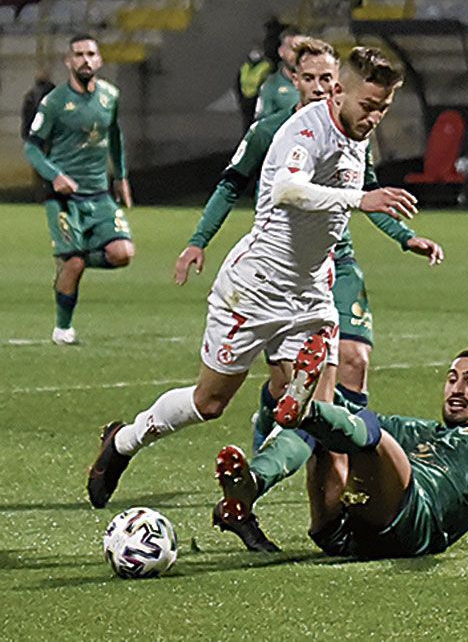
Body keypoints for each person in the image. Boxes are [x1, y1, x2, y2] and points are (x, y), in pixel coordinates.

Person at [85, 46, 419, 510]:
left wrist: (400, 233)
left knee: (314, 410)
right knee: (209, 403)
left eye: (384, 108)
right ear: (339, 90)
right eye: (369, 105)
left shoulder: (357, 130)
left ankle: (260, 492)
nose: (376, 117)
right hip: (255, 288)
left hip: (310, 293)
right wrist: (361, 200)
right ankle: (122, 443)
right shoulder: (305, 129)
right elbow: (286, 188)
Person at [174, 37, 444, 457]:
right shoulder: (276, 131)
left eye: (327, 77)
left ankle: (342, 464)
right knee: (269, 391)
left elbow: (372, 194)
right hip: (277, 271)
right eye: (311, 78)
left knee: (353, 362)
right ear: (295, 80)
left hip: (336, 262)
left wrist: (406, 238)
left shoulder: (357, 130)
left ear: (338, 82)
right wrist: (198, 241)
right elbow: (236, 186)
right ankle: (273, 437)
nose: (319, 86)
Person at [212, 347, 468, 556]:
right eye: (452, 380)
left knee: (370, 432)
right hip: (342, 534)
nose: (457, 389)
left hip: (416, 529)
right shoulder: (417, 429)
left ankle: (305, 408)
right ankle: (252, 483)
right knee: (331, 437)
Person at [23, 34, 135, 346]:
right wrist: (54, 175)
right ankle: (63, 329)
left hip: (99, 194)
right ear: (68, 62)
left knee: (123, 253)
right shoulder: (55, 102)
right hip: (62, 198)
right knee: (73, 263)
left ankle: (72, 258)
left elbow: (115, 137)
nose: (85, 60)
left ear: (99, 60)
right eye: (78, 54)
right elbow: (32, 148)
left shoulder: (110, 96)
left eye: (91, 54)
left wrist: (121, 177)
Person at [256, 29, 301, 120]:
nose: (298, 54)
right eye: (293, 49)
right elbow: (263, 124)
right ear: (281, 51)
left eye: (302, 50)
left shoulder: (318, 84)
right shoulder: (271, 86)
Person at [236, 48, 272, 133]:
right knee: (247, 121)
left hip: (258, 98)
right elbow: (238, 82)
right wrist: (240, 97)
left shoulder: (266, 66)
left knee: (258, 121)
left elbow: (269, 82)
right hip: (246, 98)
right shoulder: (245, 67)